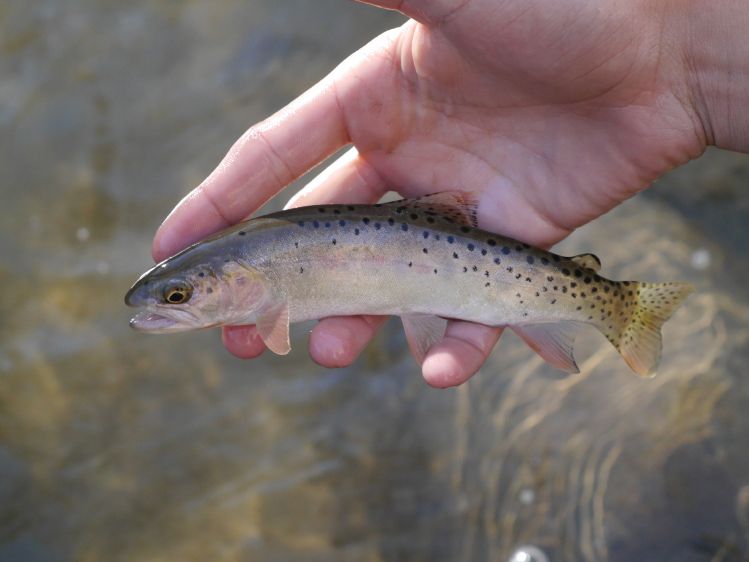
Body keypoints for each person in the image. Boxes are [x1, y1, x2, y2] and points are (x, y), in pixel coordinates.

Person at [151, 0, 748, 388]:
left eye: (178, 294)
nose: (168, 305)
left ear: (238, 279)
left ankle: (615, 306)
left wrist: (672, 61)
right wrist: (678, 64)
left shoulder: (261, 268)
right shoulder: (260, 283)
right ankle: (610, 304)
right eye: (177, 295)